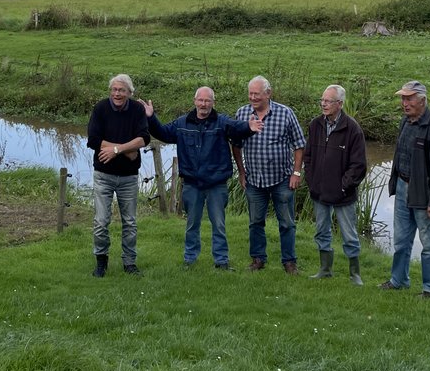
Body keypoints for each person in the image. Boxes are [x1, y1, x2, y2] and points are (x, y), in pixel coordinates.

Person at [144, 87, 261, 269]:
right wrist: (150, 118)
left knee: (219, 225)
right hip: (192, 184)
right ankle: (190, 259)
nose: (204, 104)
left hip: (216, 184)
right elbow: (163, 133)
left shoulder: (221, 122)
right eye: (201, 100)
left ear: (213, 103)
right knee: (192, 225)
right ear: (194, 101)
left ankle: (221, 261)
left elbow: (236, 128)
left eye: (207, 101)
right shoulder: (182, 123)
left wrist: (249, 128)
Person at [381, 81, 430, 298]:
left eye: (409, 98)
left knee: (429, 243)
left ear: (422, 100)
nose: (405, 103)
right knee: (401, 239)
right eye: (403, 98)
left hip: (425, 193)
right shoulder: (406, 121)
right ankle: (398, 280)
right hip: (403, 187)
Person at [232, 76, 307, 274]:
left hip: (282, 179)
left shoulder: (285, 113)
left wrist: (296, 172)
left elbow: (299, 144)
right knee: (255, 222)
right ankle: (258, 259)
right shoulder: (241, 114)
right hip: (254, 180)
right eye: (250, 94)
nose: (253, 98)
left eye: (257, 94)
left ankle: (289, 262)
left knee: (287, 223)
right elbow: (236, 145)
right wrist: (241, 171)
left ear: (268, 93)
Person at [304, 84, 368, 285]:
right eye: (322, 100)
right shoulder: (316, 125)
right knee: (321, 231)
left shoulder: (353, 129)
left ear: (339, 104)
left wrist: (343, 186)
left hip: (343, 195)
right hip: (319, 192)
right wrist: (312, 179)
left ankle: (354, 274)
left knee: (349, 235)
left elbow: (359, 166)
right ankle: (325, 270)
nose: (323, 104)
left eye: (328, 101)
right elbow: (308, 157)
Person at [87, 73, 150, 277]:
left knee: (130, 221)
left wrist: (115, 150)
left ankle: (130, 263)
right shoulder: (101, 108)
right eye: (114, 89)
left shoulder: (138, 110)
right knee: (101, 221)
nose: (117, 93)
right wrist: (125, 149)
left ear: (129, 93)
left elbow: (143, 139)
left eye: (122, 90)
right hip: (103, 175)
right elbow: (93, 140)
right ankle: (101, 262)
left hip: (128, 177)